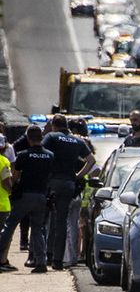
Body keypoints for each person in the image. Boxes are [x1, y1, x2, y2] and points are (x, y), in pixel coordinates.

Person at [39, 116, 94, 271]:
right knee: (62, 221)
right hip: (69, 184)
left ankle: (45, 256)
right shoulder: (77, 141)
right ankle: (58, 260)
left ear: (55, 126)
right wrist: (78, 176)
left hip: (52, 182)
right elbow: (91, 161)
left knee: (45, 220)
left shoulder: (51, 137)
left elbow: (42, 153)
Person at [0, 126, 52, 272]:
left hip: (24, 195)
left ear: (28, 139)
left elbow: (15, 177)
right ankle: (41, 262)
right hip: (41, 195)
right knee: (37, 229)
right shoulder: (50, 155)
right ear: (41, 137)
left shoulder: (23, 155)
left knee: (9, 226)